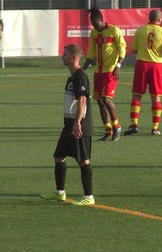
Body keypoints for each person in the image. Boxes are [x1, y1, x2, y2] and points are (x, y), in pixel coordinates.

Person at [41, 44, 94, 205]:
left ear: (74, 57)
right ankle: (59, 192)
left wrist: (78, 122)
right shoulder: (72, 77)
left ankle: (88, 196)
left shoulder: (80, 76)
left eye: (65, 54)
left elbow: (83, 100)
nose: (61, 56)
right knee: (58, 156)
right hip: (69, 125)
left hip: (80, 125)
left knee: (83, 160)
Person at [124, 9, 162, 136]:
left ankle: (134, 125)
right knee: (156, 97)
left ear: (149, 18)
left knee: (137, 95)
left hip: (141, 64)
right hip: (156, 66)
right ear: (160, 20)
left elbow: (133, 49)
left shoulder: (140, 30)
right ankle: (155, 128)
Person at [82, 7, 126, 141]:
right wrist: (82, 70)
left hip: (110, 71)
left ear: (102, 20)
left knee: (107, 100)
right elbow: (91, 53)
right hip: (98, 72)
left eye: (96, 23)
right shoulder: (94, 33)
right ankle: (108, 131)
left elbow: (122, 48)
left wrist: (118, 66)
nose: (95, 26)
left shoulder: (114, 31)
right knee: (100, 102)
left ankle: (117, 126)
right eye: (93, 24)